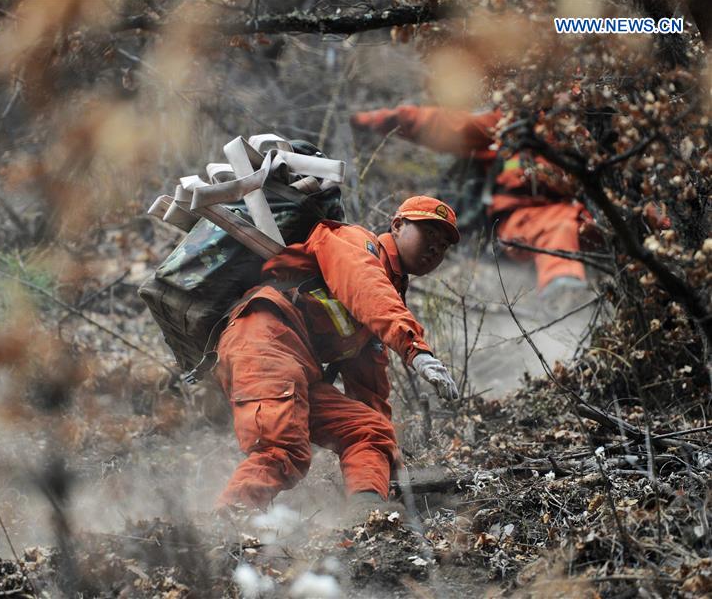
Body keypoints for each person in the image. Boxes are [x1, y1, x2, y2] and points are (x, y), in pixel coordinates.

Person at [214, 195, 459, 514]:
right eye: (429, 236)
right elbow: (367, 288)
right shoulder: (354, 243)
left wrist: (388, 465)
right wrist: (415, 351)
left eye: (442, 246)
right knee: (283, 446)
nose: (434, 249)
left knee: (370, 429)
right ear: (397, 226)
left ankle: (368, 518)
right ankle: (227, 528)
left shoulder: (380, 306)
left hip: (298, 368)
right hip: (262, 341)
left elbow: (369, 388)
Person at [350, 104, 596, 305]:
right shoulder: (510, 124)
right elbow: (441, 124)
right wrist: (375, 119)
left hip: (579, 218)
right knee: (559, 224)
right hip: (518, 221)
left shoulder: (594, 130)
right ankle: (564, 295)